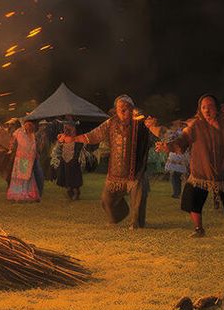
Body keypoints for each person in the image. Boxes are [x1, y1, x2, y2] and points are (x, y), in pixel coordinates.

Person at [61, 95, 162, 229]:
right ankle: (119, 216)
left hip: (135, 171)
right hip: (115, 173)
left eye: (126, 107)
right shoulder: (110, 123)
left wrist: (154, 125)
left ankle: (136, 223)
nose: (123, 110)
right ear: (116, 110)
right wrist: (72, 139)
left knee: (138, 201)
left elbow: (158, 133)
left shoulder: (140, 123)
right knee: (106, 200)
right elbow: (93, 136)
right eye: (120, 107)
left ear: (131, 109)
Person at [166, 95, 224, 237]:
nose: (207, 110)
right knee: (191, 200)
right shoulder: (195, 126)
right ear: (199, 109)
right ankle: (198, 229)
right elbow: (182, 140)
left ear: (217, 108)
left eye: (211, 106)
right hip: (201, 170)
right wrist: (168, 146)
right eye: (204, 107)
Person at [6, 118, 42, 202]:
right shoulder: (20, 132)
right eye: (27, 125)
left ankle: (25, 193)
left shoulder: (31, 135)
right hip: (22, 158)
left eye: (30, 125)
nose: (28, 127)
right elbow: (13, 140)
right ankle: (20, 194)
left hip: (28, 158)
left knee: (26, 176)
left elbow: (33, 147)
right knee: (21, 177)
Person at [52, 123, 83, 200]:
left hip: (73, 160)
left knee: (74, 177)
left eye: (67, 129)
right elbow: (59, 147)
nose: (65, 130)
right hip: (65, 159)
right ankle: (69, 190)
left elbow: (78, 149)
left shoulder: (77, 138)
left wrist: (75, 158)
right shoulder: (63, 137)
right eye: (65, 129)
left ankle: (76, 192)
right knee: (66, 176)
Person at [161, 120, 189, 198]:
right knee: (174, 174)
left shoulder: (186, 129)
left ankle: (187, 193)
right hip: (174, 154)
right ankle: (176, 192)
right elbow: (167, 140)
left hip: (184, 153)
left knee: (187, 176)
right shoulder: (171, 131)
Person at [0, 118, 18, 184]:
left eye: (12, 124)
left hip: (17, 154)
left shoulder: (18, 133)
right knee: (6, 167)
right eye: (9, 124)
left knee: (15, 170)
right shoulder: (7, 132)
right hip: (9, 152)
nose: (10, 126)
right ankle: (9, 182)